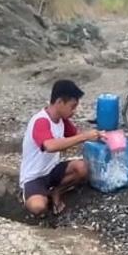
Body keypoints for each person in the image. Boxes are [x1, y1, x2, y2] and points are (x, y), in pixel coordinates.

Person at [20, 80, 103, 216]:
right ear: (59, 102)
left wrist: (98, 135)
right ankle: (31, 195)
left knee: (82, 168)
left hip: (52, 170)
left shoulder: (62, 120)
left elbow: (77, 134)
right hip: (34, 177)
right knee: (38, 207)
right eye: (72, 106)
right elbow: (49, 146)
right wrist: (84, 137)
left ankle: (56, 191)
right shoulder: (41, 121)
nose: (74, 111)